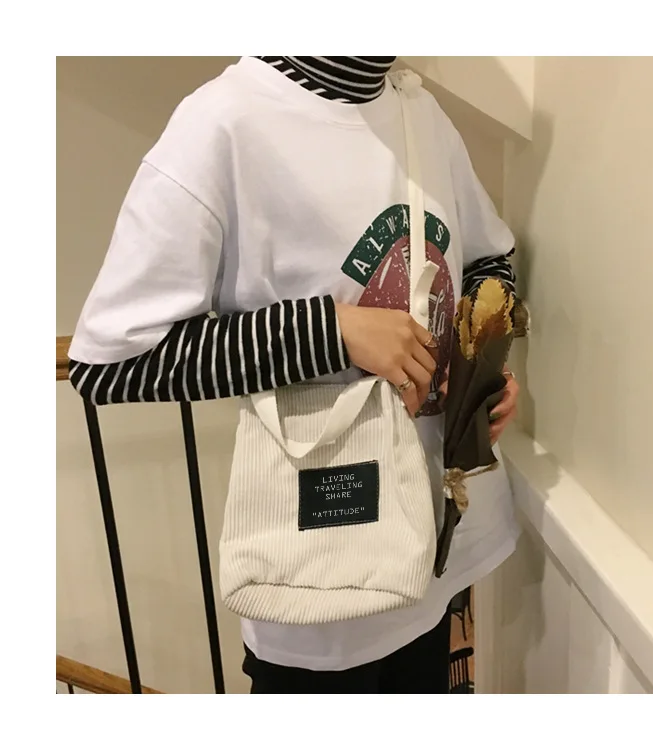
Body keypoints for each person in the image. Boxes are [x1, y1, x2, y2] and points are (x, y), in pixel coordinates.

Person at [68, 56, 521, 693]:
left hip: (437, 550)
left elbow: (489, 259)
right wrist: (332, 332)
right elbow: (110, 363)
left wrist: (476, 367)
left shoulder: (421, 114)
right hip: (321, 589)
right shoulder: (223, 124)